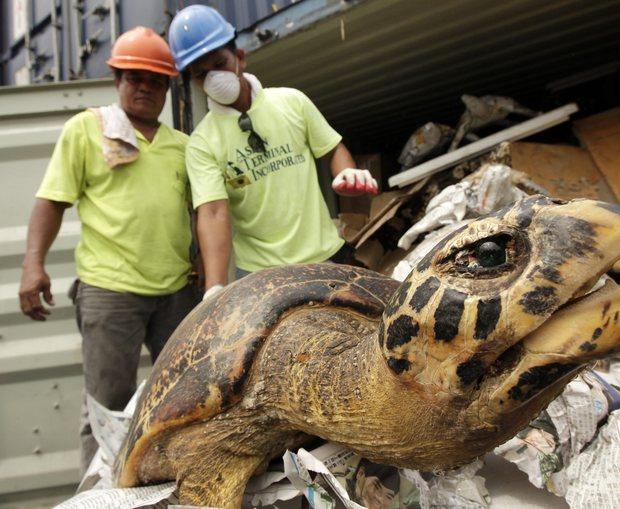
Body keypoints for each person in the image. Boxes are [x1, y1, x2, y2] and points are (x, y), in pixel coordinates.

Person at [18, 26, 199, 472]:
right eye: (134, 77)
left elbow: (201, 215)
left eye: (155, 80)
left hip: (177, 292)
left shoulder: (183, 146)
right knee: (105, 407)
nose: (144, 87)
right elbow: (52, 201)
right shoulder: (86, 129)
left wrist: (199, 267)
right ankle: (98, 493)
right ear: (117, 80)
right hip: (109, 291)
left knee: (183, 400)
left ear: (167, 88)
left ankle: (169, 485)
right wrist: (33, 265)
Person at [167, 5, 379, 300]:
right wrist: (214, 286)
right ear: (193, 80)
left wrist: (346, 172)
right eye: (202, 74)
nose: (214, 78)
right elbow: (214, 211)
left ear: (239, 57)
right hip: (261, 280)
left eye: (220, 63)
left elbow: (332, 150)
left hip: (327, 259)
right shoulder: (202, 142)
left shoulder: (291, 102)